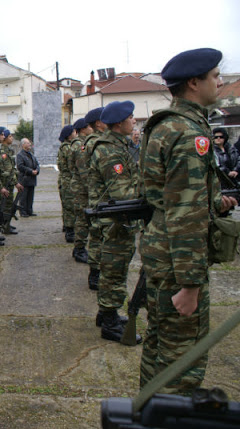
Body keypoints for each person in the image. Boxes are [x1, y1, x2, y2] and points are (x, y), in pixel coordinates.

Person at [139, 48, 237, 394]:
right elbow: (185, 211)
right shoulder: (188, 133)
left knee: (159, 346)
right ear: (194, 83)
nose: (220, 81)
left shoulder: (167, 124)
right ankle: (167, 414)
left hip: (163, 249)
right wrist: (191, 285)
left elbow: (172, 197)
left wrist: (214, 204)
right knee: (183, 361)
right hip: (177, 258)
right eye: (215, 76)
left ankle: (149, 412)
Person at [88, 101, 143, 343]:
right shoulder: (109, 150)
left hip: (119, 221)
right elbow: (123, 193)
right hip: (115, 222)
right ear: (119, 123)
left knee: (115, 269)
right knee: (113, 270)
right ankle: (109, 322)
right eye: (131, 118)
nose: (135, 121)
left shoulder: (118, 146)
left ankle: (106, 312)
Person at [82, 107, 107, 290]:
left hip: (99, 195)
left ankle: (97, 272)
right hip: (99, 196)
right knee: (97, 236)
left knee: (99, 236)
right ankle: (95, 274)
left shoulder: (96, 141)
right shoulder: (95, 143)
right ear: (98, 123)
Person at [69, 118, 93, 263]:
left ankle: (79, 248)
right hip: (82, 189)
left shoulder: (81, 144)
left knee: (82, 219)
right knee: (82, 220)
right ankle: (79, 249)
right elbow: (83, 172)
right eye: (89, 127)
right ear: (83, 129)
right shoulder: (80, 146)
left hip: (81, 187)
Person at [0, 129, 22, 234]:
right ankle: (5, 227)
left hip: (9, 182)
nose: (12, 138)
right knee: (6, 207)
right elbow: (8, 169)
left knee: (8, 206)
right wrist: (15, 182)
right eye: (10, 136)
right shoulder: (3, 152)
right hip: (6, 183)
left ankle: (7, 225)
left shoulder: (9, 150)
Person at [57, 125, 76, 243]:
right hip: (68, 180)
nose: (76, 134)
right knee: (69, 206)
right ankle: (70, 232)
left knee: (66, 205)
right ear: (69, 135)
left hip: (64, 179)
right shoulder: (68, 148)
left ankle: (66, 226)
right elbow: (71, 165)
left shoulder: (63, 147)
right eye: (74, 132)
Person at [16, 138, 39, 217]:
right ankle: (23, 211)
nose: (30, 144)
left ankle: (29, 211)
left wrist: (37, 170)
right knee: (23, 197)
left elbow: (37, 164)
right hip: (24, 179)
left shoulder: (31, 154)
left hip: (32, 179)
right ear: (23, 145)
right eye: (28, 143)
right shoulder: (20, 155)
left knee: (30, 196)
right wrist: (30, 171)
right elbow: (20, 166)